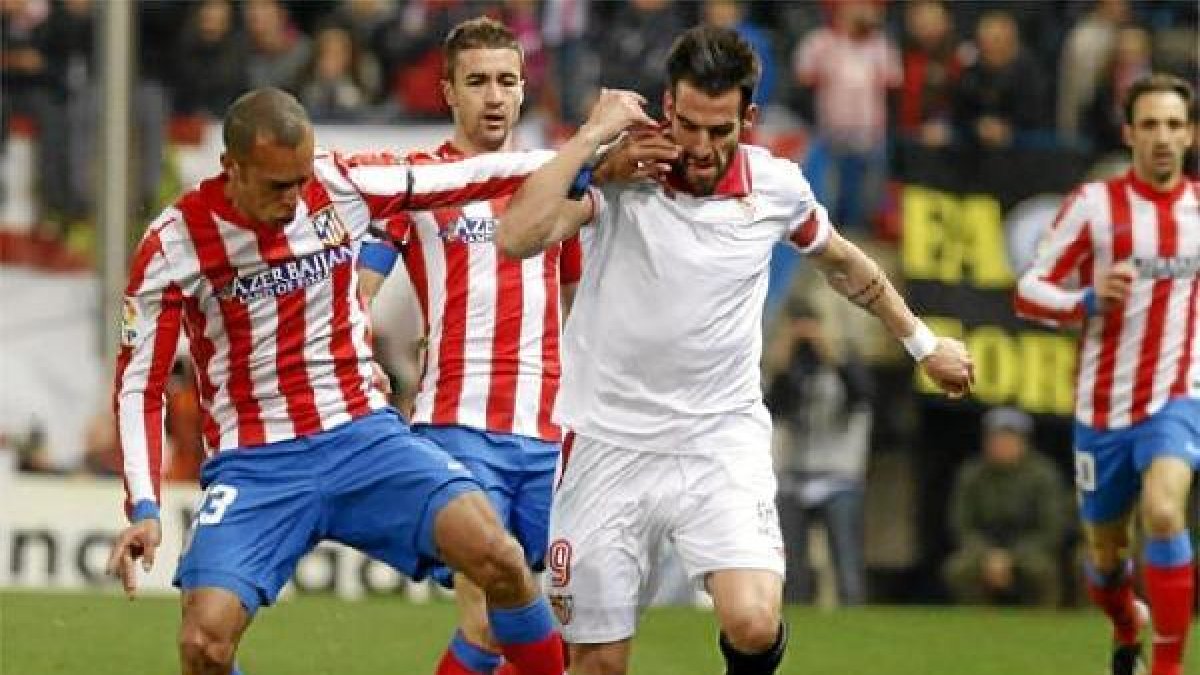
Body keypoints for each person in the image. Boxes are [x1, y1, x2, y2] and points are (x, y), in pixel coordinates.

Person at [104, 86, 649, 675]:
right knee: (203, 644)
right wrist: (145, 502)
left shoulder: (341, 185)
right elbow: (140, 383)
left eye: (301, 178)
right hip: (257, 465)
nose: (294, 200)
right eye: (276, 186)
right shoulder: (174, 241)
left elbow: (482, 174)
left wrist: (588, 147)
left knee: (501, 559)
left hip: (366, 440)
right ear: (230, 168)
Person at [495, 26, 975, 675]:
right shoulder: (620, 176)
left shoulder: (776, 188)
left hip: (717, 440)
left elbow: (841, 261)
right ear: (669, 106)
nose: (699, 146)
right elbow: (516, 237)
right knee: (599, 663)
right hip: (608, 443)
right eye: (688, 124)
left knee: (752, 620)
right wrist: (590, 142)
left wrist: (921, 342)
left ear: (747, 118)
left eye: (719, 131)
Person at [355, 17, 584, 675]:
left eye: (506, 81)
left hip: (550, 431)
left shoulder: (553, 179)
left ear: (522, 91)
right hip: (458, 427)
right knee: (485, 621)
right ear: (448, 90)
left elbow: (576, 304)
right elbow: (357, 293)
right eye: (477, 81)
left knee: (580, 619)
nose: (493, 96)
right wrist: (362, 367)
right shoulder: (414, 185)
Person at [1014, 73, 1197, 675]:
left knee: (1166, 512)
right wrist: (1084, 300)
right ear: (1129, 132)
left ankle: (1168, 668)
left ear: (1190, 134)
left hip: (1177, 397)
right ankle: (1126, 621)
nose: (1163, 137)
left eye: (1174, 124)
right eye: (1150, 124)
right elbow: (1028, 291)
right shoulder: (1095, 207)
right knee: (1105, 557)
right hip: (1102, 408)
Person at [765, 297, 873, 607]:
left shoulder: (846, 361)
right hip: (794, 474)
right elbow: (774, 407)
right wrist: (783, 359)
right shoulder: (792, 368)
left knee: (846, 562)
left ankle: (855, 623)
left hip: (839, 474)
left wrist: (829, 351)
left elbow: (862, 394)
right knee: (792, 568)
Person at [942, 407, 1068, 608]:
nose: (1001, 444)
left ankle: (1042, 623)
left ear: (1024, 443)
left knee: (1041, 570)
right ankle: (976, 622)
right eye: (996, 438)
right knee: (958, 569)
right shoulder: (972, 474)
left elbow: (1052, 528)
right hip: (983, 547)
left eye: (1009, 439)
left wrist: (1012, 557)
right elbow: (961, 524)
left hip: (1030, 549)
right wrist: (987, 555)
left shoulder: (1043, 475)